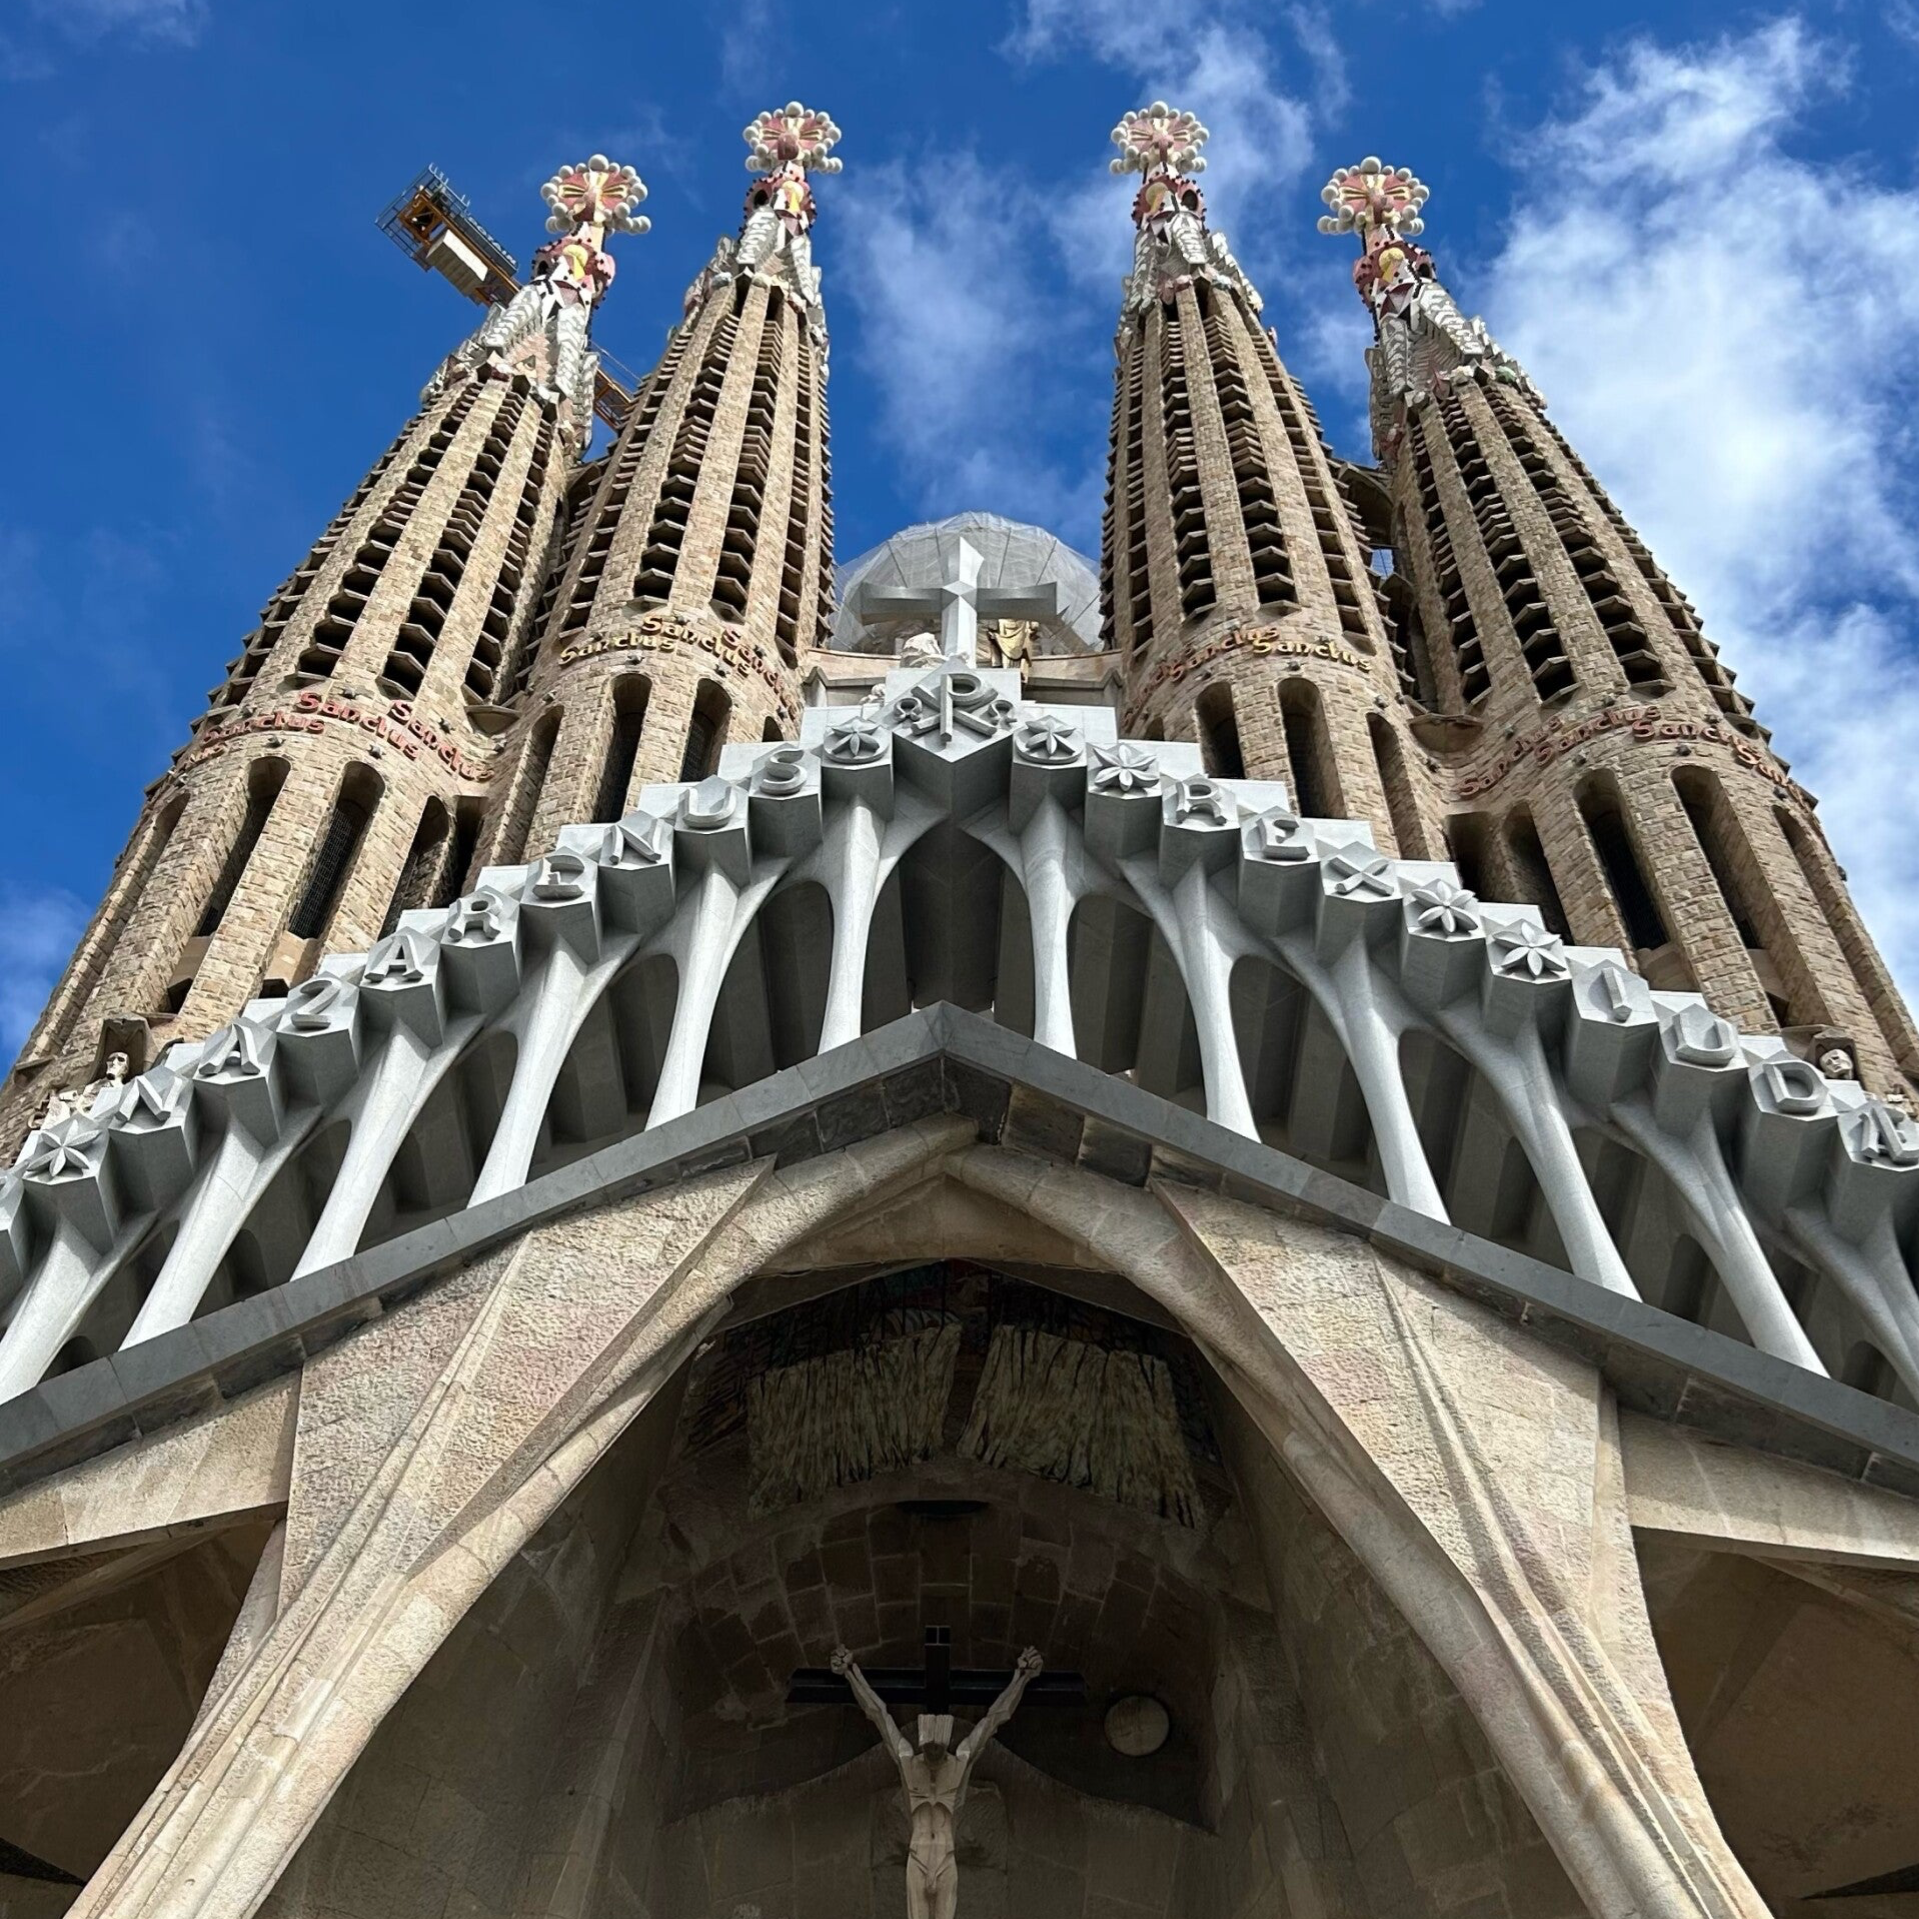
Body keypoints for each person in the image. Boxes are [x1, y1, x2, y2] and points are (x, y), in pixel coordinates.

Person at [831, 1642, 1042, 1919]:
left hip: (946, 1858)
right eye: (928, 1749)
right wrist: (850, 1672)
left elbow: (993, 1720)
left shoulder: (960, 1760)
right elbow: (878, 1714)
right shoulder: (907, 1760)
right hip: (916, 1858)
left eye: (937, 1750)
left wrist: (1022, 1677)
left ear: (945, 1747)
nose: (932, 1755)